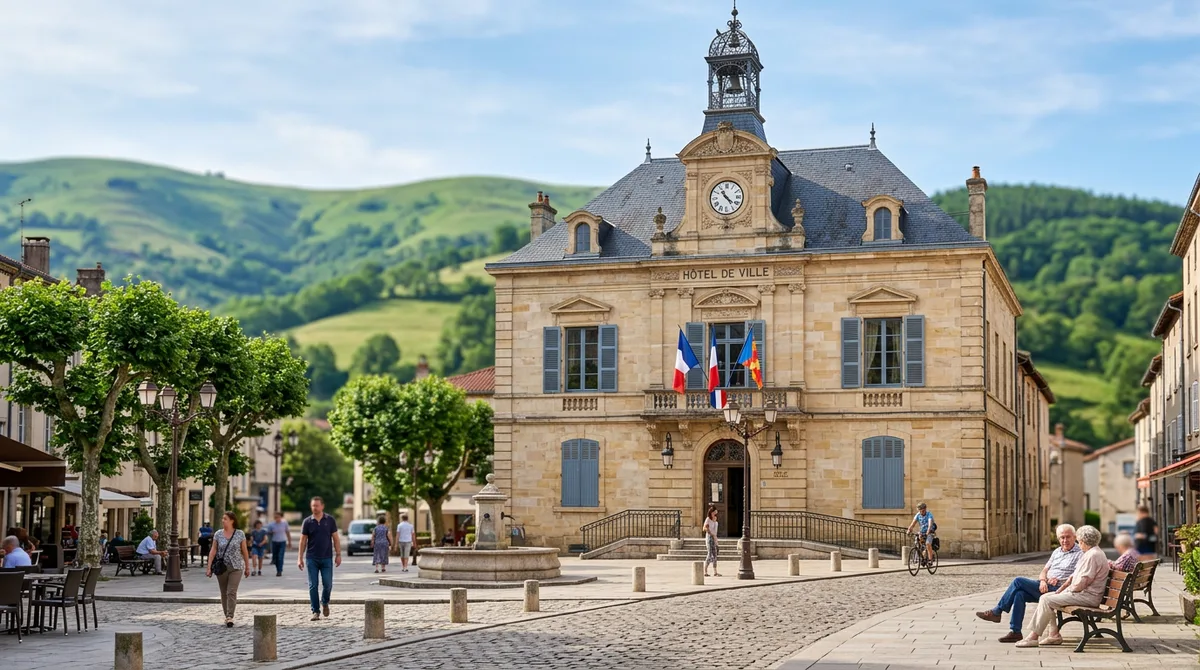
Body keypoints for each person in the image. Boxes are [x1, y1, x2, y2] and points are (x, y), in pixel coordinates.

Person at [975, 524, 1081, 642]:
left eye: (1068, 537)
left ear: (1074, 537)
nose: (1065, 540)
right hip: (1045, 586)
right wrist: (1042, 580)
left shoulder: (1079, 553)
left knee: (1018, 581)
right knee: (1019, 594)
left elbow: (1075, 576)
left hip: (1059, 590)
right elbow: (1044, 570)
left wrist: (1059, 579)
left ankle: (997, 611)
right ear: (1058, 538)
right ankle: (1016, 632)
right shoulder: (1057, 551)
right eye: (1062, 537)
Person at [1016, 525, 1110, 647]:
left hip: (1088, 596)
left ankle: (1034, 637)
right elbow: (1074, 577)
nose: (1078, 544)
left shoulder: (1093, 555)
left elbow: (1082, 582)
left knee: (1046, 599)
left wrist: (1069, 590)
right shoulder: (1091, 553)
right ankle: (1053, 635)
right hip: (1084, 594)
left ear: (1083, 541)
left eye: (1078, 541)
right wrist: (1062, 590)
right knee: (1047, 597)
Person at [298, 496, 341, 621]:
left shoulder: (330, 520)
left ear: (322, 506)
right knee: (313, 585)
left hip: (327, 557)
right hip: (311, 558)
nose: (314, 508)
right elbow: (302, 541)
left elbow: (336, 538)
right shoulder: (307, 522)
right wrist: (299, 558)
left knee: (328, 584)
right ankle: (315, 611)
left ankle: (325, 602)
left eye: (317, 505)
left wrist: (338, 554)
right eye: (313, 506)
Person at [206, 511, 251, 628]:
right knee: (224, 592)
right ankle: (227, 615)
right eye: (222, 518)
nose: (223, 520)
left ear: (232, 520)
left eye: (225, 518)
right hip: (222, 567)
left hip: (236, 567)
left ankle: (230, 616)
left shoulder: (240, 534)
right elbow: (213, 551)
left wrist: (247, 566)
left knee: (231, 591)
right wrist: (209, 566)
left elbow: (245, 551)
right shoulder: (218, 534)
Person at [267, 512, 291, 577]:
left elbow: (287, 532)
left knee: (280, 556)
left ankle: (279, 571)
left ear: (281, 517)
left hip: (282, 541)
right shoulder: (271, 524)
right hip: (274, 542)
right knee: (275, 557)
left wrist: (289, 542)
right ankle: (278, 568)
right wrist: (271, 532)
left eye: (278, 517)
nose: (277, 518)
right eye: (275, 517)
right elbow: (268, 532)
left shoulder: (284, 523)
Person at [703, 506, 721, 577]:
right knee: (710, 554)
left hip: (714, 537)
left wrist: (716, 541)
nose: (715, 514)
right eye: (714, 512)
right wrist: (710, 532)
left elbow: (715, 533)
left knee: (715, 555)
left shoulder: (716, 520)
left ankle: (715, 572)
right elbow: (704, 528)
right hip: (709, 538)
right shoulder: (708, 519)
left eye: (716, 512)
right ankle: (705, 571)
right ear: (711, 512)